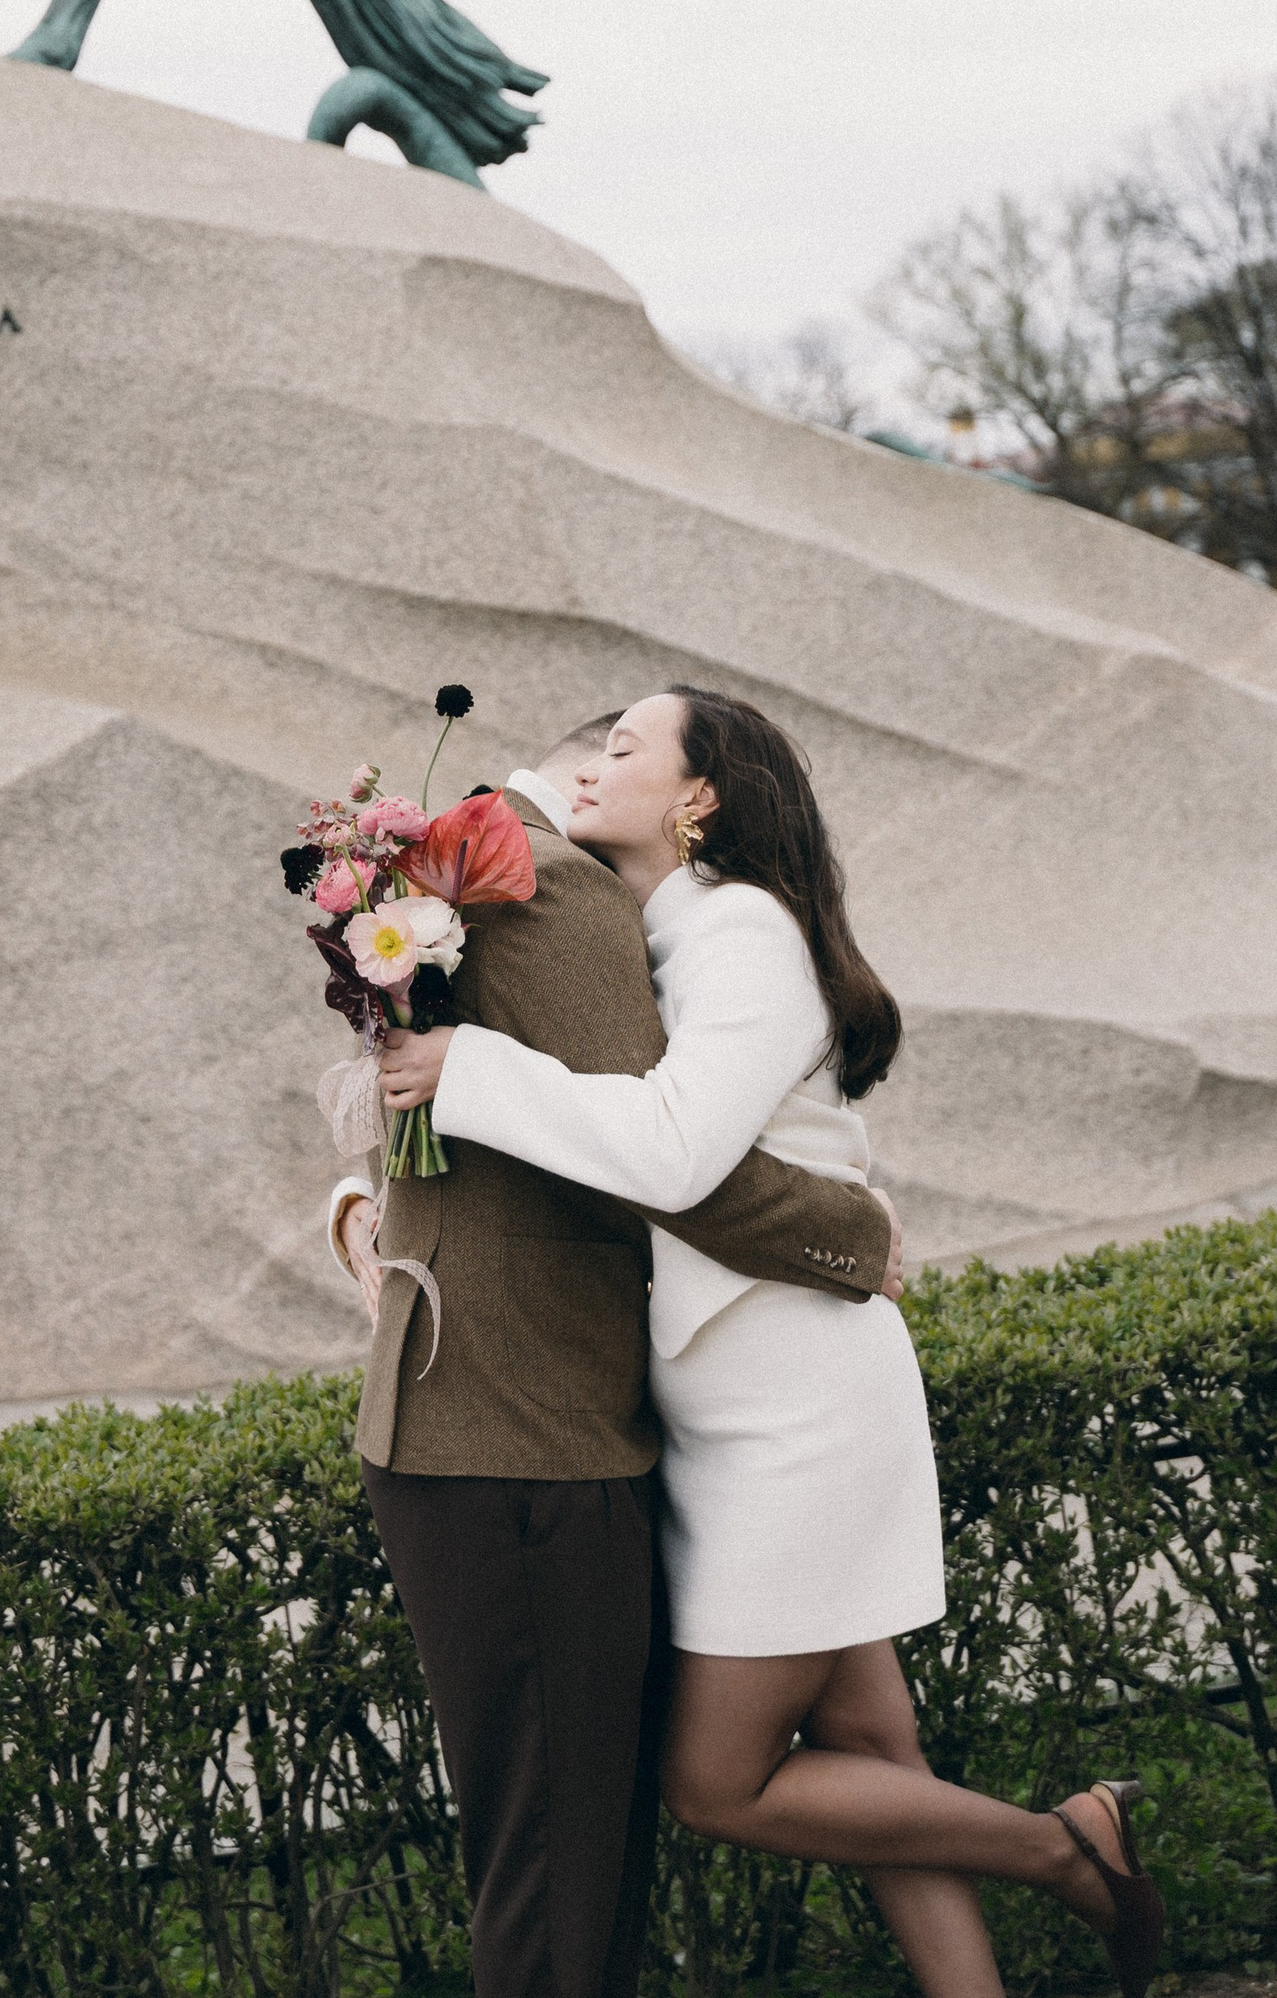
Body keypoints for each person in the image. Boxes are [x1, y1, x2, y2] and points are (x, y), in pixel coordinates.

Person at [376, 690, 1167, 1998]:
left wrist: (471, 1066)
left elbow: (677, 1152)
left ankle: (1065, 1844)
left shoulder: (739, 924)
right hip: (732, 1387)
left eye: (627, 747)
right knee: (872, 1745)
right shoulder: (665, 923)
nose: (592, 764)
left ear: (700, 797)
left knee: (716, 1782)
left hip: (790, 1399)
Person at [322, 723, 901, 1998]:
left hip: (461, 1420)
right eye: (617, 739)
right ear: (590, 766)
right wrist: (852, 1232)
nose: (606, 771)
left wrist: (364, 1206)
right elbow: (662, 1159)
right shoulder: (557, 890)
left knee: (548, 1850)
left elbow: (456, 1108)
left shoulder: (454, 873)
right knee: (564, 1870)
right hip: (532, 1433)